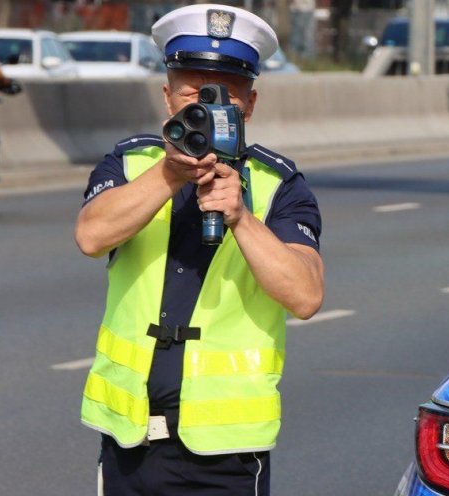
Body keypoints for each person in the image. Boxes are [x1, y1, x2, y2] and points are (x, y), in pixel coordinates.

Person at [74, 4, 324, 495]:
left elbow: (306, 295)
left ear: (250, 105)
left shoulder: (279, 185)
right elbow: (90, 236)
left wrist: (242, 218)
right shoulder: (130, 164)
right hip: (128, 442)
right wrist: (169, 174)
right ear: (168, 97)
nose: (207, 109)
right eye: (194, 93)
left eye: (224, 96)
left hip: (223, 455)